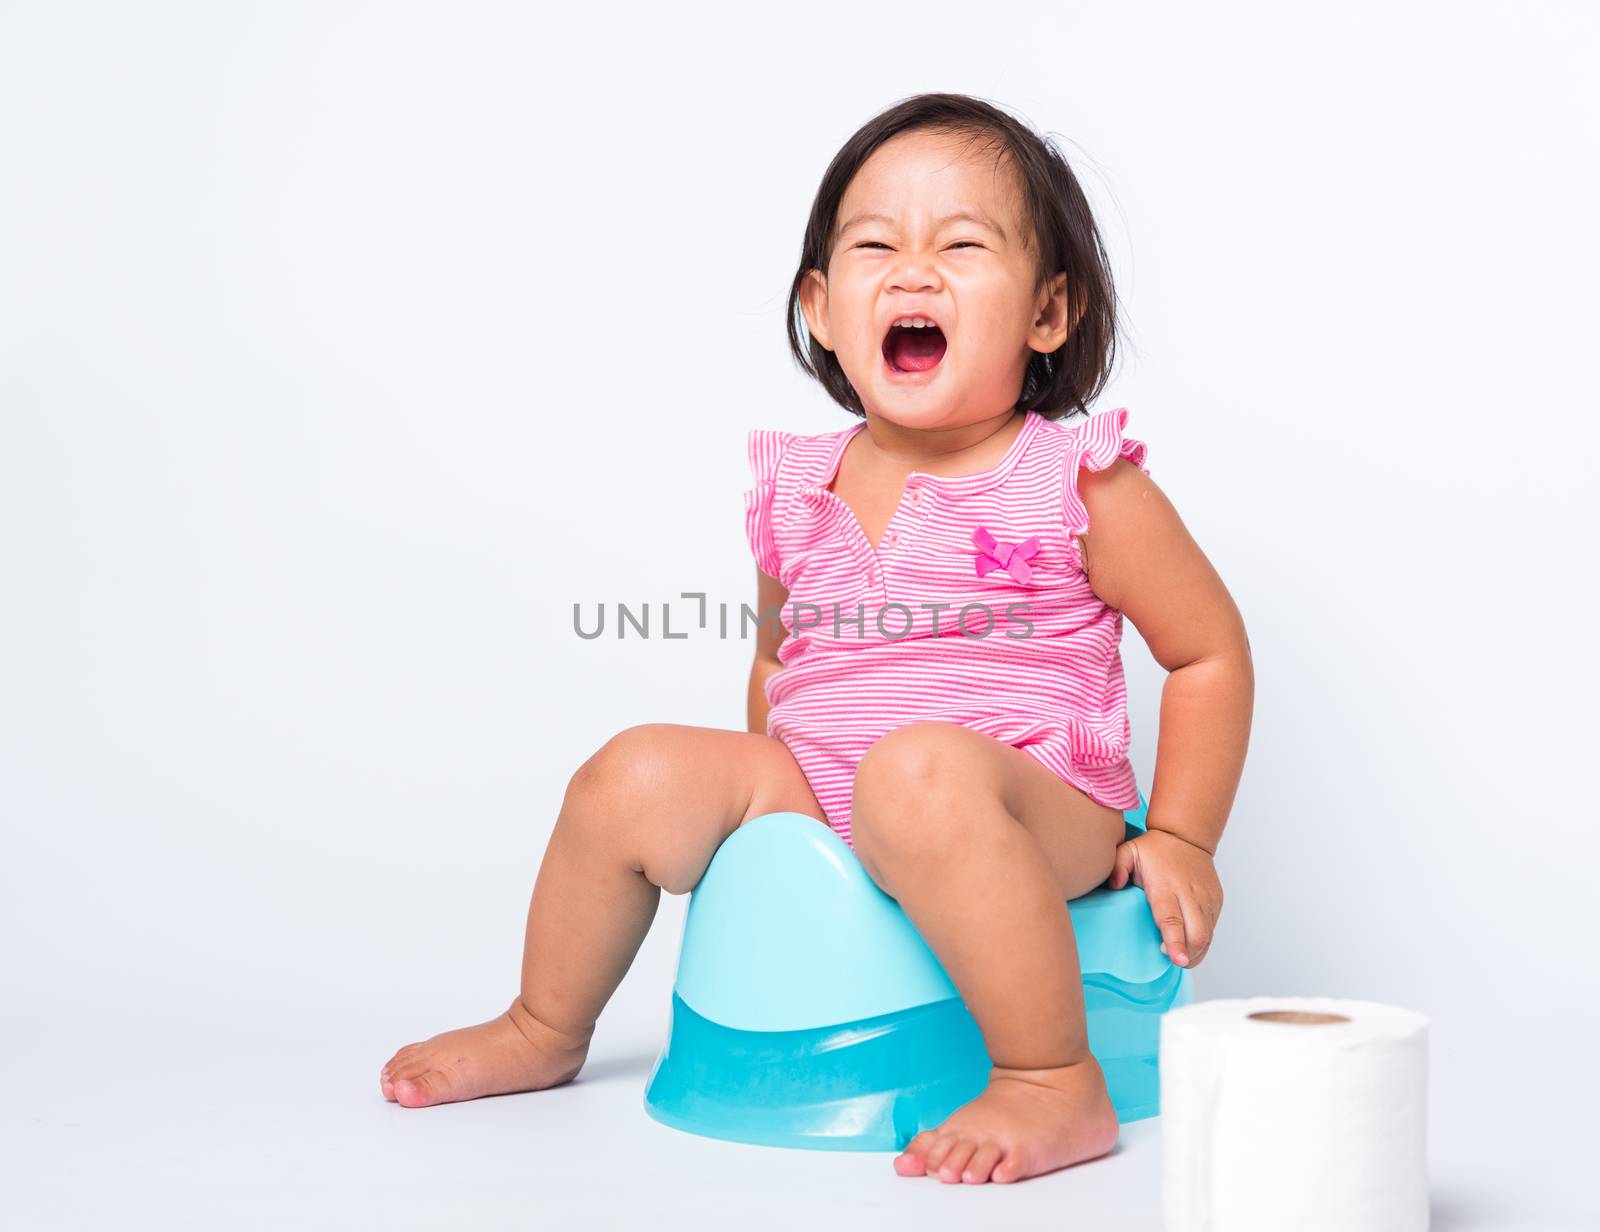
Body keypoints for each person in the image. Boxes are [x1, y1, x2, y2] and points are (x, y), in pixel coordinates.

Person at [380, 92, 1254, 1187]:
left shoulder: (1078, 482)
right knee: (632, 772)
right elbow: (777, 662)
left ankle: (1050, 1075)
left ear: (1047, 312)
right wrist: (762, 807)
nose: (912, 271)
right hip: (842, 791)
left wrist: (1179, 836)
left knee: (918, 771)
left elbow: (1208, 649)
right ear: (822, 307)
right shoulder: (799, 488)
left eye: (963, 245)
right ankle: (544, 1021)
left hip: (1034, 803)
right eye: (874, 245)